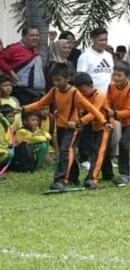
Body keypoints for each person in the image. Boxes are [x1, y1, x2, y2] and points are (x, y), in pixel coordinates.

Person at [23, 63, 107, 191]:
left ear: (67, 78)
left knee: (65, 151)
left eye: (58, 80)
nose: (55, 83)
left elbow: (91, 109)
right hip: (61, 127)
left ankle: (61, 180)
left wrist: (103, 121)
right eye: (53, 80)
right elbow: (41, 103)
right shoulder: (54, 91)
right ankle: (73, 177)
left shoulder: (74, 93)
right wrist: (24, 108)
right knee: (68, 152)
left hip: (73, 128)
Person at [105, 61, 130, 186]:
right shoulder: (111, 87)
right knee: (128, 144)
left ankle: (124, 175)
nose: (116, 78)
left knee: (124, 143)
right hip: (121, 118)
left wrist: (114, 115)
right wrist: (110, 118)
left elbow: (129, 111)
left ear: (127, 76)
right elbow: (108, 103)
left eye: (119, 75)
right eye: (114, 75)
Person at [72, 72, 114, 188]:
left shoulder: (99, 96)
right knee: (102, 150)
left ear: (91, 85)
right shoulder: (82, 95)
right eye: (79, 91)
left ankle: (92, 178)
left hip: (106, 126)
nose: (81, 94)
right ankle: (108, 174)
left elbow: (93, 113)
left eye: (83, 91)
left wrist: (81, 121)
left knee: (98, 150)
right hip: (95, 127)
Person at [0, 27, 46, 105]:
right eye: (31, 35)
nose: (35, 38)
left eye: (37, 35)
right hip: (22, 93)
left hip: (38, 94)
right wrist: (10, 72)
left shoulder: (36, 50)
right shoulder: (14, 48)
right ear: (23, 36)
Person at [76, 27, 114, 95]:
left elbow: (112, 76)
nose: (104, 43)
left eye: (106, 40)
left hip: (108, 98)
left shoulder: (109, 56)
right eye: (101, 40)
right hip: (91, 98)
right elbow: (80, 79)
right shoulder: (85, 56)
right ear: (93, 39)